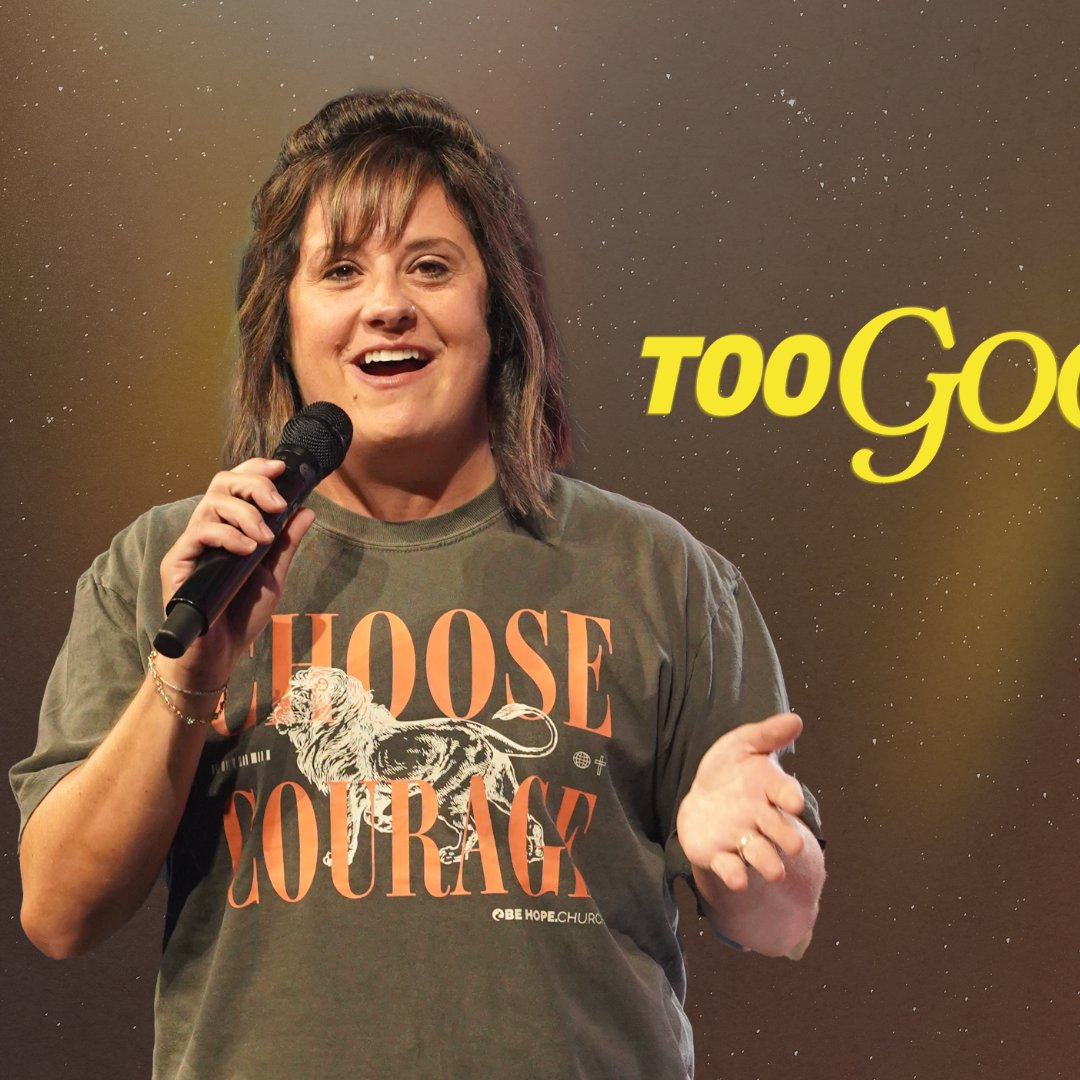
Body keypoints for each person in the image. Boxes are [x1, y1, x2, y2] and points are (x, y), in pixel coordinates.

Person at [11, 88, 825, 1078]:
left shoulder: (660, 574)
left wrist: (747, 855)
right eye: (340, 270)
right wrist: (186, 679)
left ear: (498, 313)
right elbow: (60, 912)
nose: (387, 304)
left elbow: (783, 921)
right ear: (282, 321)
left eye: (431, 267)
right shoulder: (168, 565)